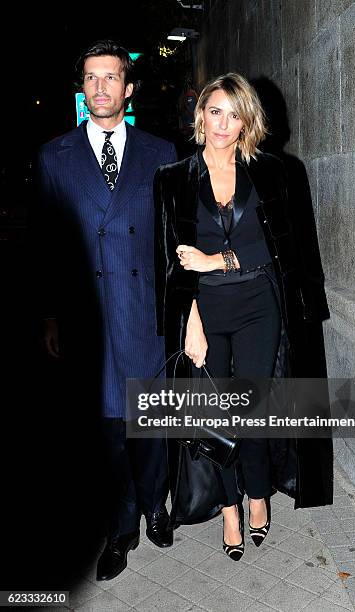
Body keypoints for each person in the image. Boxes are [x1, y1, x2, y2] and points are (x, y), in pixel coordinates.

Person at [154, 73, 333, 561]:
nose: (223, 124)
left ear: (247, 122)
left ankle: (258, 495)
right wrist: (189, 320)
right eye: (215, 111)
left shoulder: (273, 173)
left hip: (259, 306)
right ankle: (229, 507)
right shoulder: (172, 179)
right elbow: (169, 261)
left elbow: (279, 249)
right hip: (205, 310)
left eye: (234, 115)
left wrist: (218, 261)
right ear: (201, 115)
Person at [38, 39, 177, 581]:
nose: (100, 87)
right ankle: (121, 528)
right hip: (88, 314)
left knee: (150, 420)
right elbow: (48, 243)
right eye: (91, 78)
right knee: (108, 430)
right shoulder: (55, 156)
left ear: (128, 87)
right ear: (82, 88)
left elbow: (172, 238)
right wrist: (49, 314)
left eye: (111, 77)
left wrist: (185, 310)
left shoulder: (160, 152)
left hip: (144, 307)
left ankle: (156, 505)